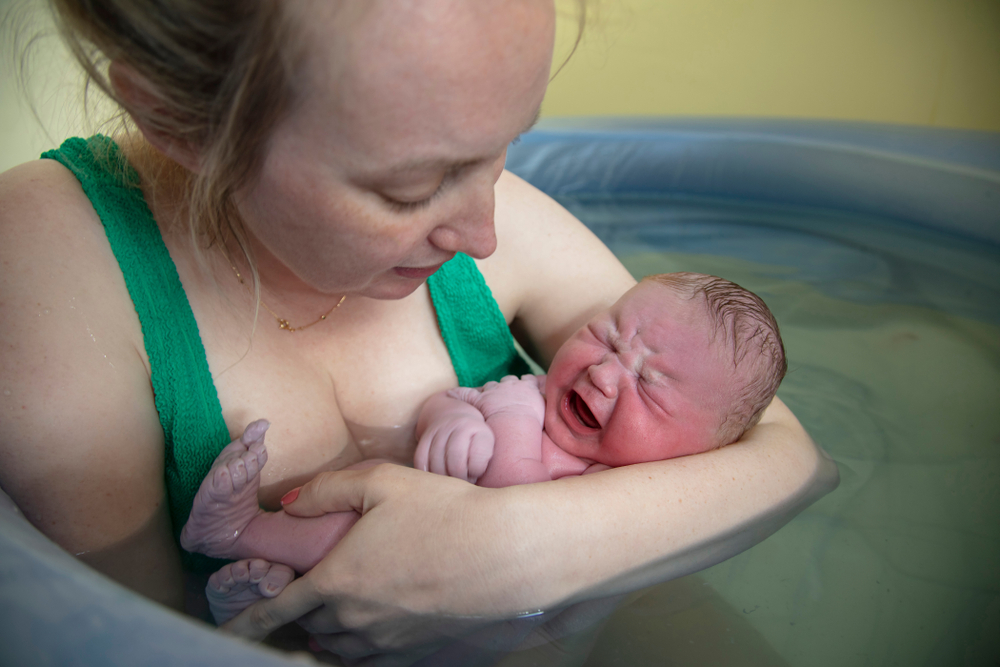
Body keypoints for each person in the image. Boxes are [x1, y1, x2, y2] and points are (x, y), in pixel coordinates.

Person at [0, 0, 832, 663]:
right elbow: (127, 641)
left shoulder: (503, 230)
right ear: (180, 120)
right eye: (412, 189)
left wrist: (515, 550)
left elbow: (787, 456)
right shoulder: (51, 270)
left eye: (507, 148)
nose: (485, 232)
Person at [181, 272, 789, 624]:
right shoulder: (524, 393)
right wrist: (447, 418)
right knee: (355, 511)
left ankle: (269, 600)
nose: (605, 373)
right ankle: (242, 538)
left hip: (474, 631)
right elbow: (456, 401)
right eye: (604, 337)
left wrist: (503, 422)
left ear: (700, 453)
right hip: (396, 548)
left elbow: (515, 512)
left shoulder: (636, 500)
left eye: (650, 387)